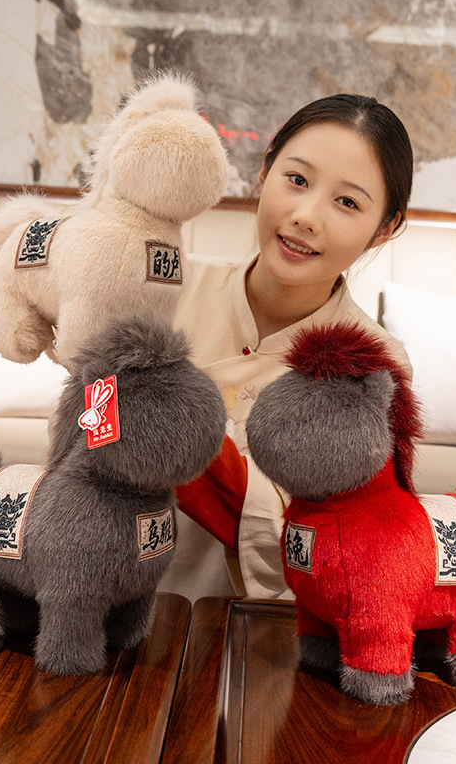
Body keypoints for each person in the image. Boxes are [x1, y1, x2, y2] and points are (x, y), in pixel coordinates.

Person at [158, 93, 414, 602]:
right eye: (297, 179)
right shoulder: (165, 287)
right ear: (264, 170)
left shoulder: (374, 366)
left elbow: (345, 547)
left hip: (256, 631)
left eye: (348, 202)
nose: (306, 217)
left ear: (385, 229)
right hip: (109, 607)